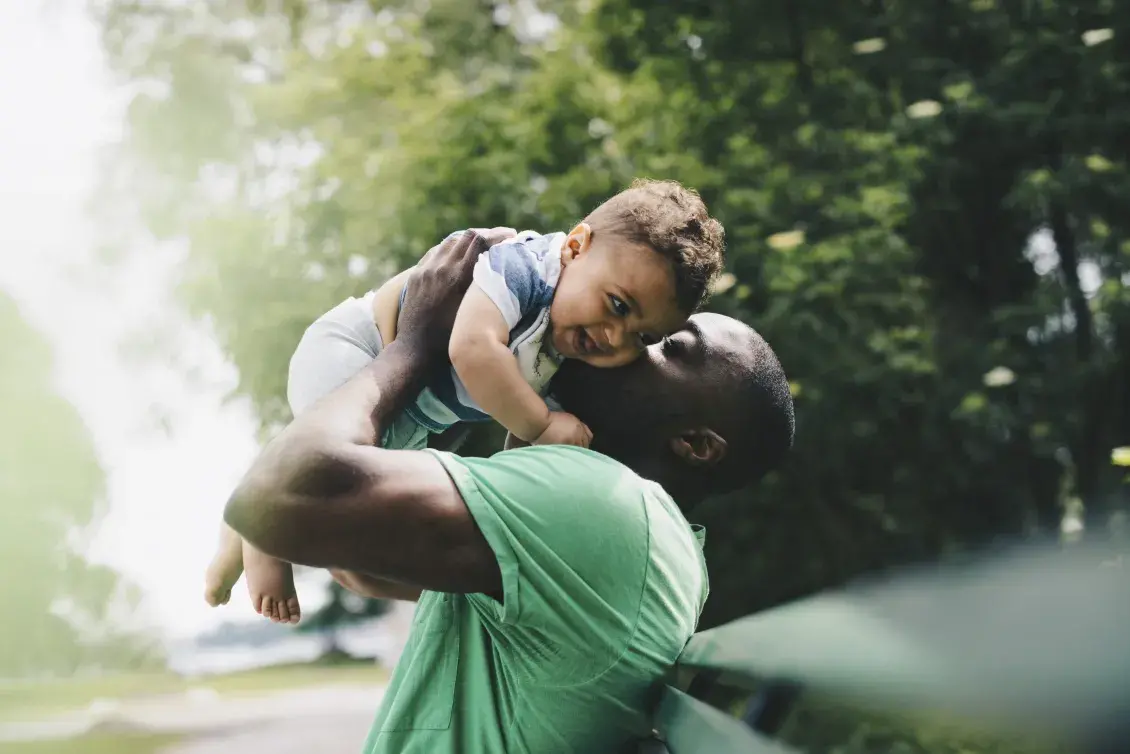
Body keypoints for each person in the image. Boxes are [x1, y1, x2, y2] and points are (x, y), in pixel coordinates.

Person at [222, 229, 795, 753]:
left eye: (664, 344)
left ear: (696, 444)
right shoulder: (643, 538)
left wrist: (415, 344)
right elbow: (359, 564)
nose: (628, 344)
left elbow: (275, 497)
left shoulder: (603, 504)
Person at [205, 179, 726, 623]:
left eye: (640, 336)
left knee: (366, 502)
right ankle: (267, 547)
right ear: (575, 247)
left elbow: (518, 422)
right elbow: (472, 350)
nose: (615, 336)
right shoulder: (526, 270)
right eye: (617, 305)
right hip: (358, 350)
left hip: (407, 407)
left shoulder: (572, 341)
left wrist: (523, 469)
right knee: (321, 473)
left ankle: (240, 522)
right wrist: (544, 424)